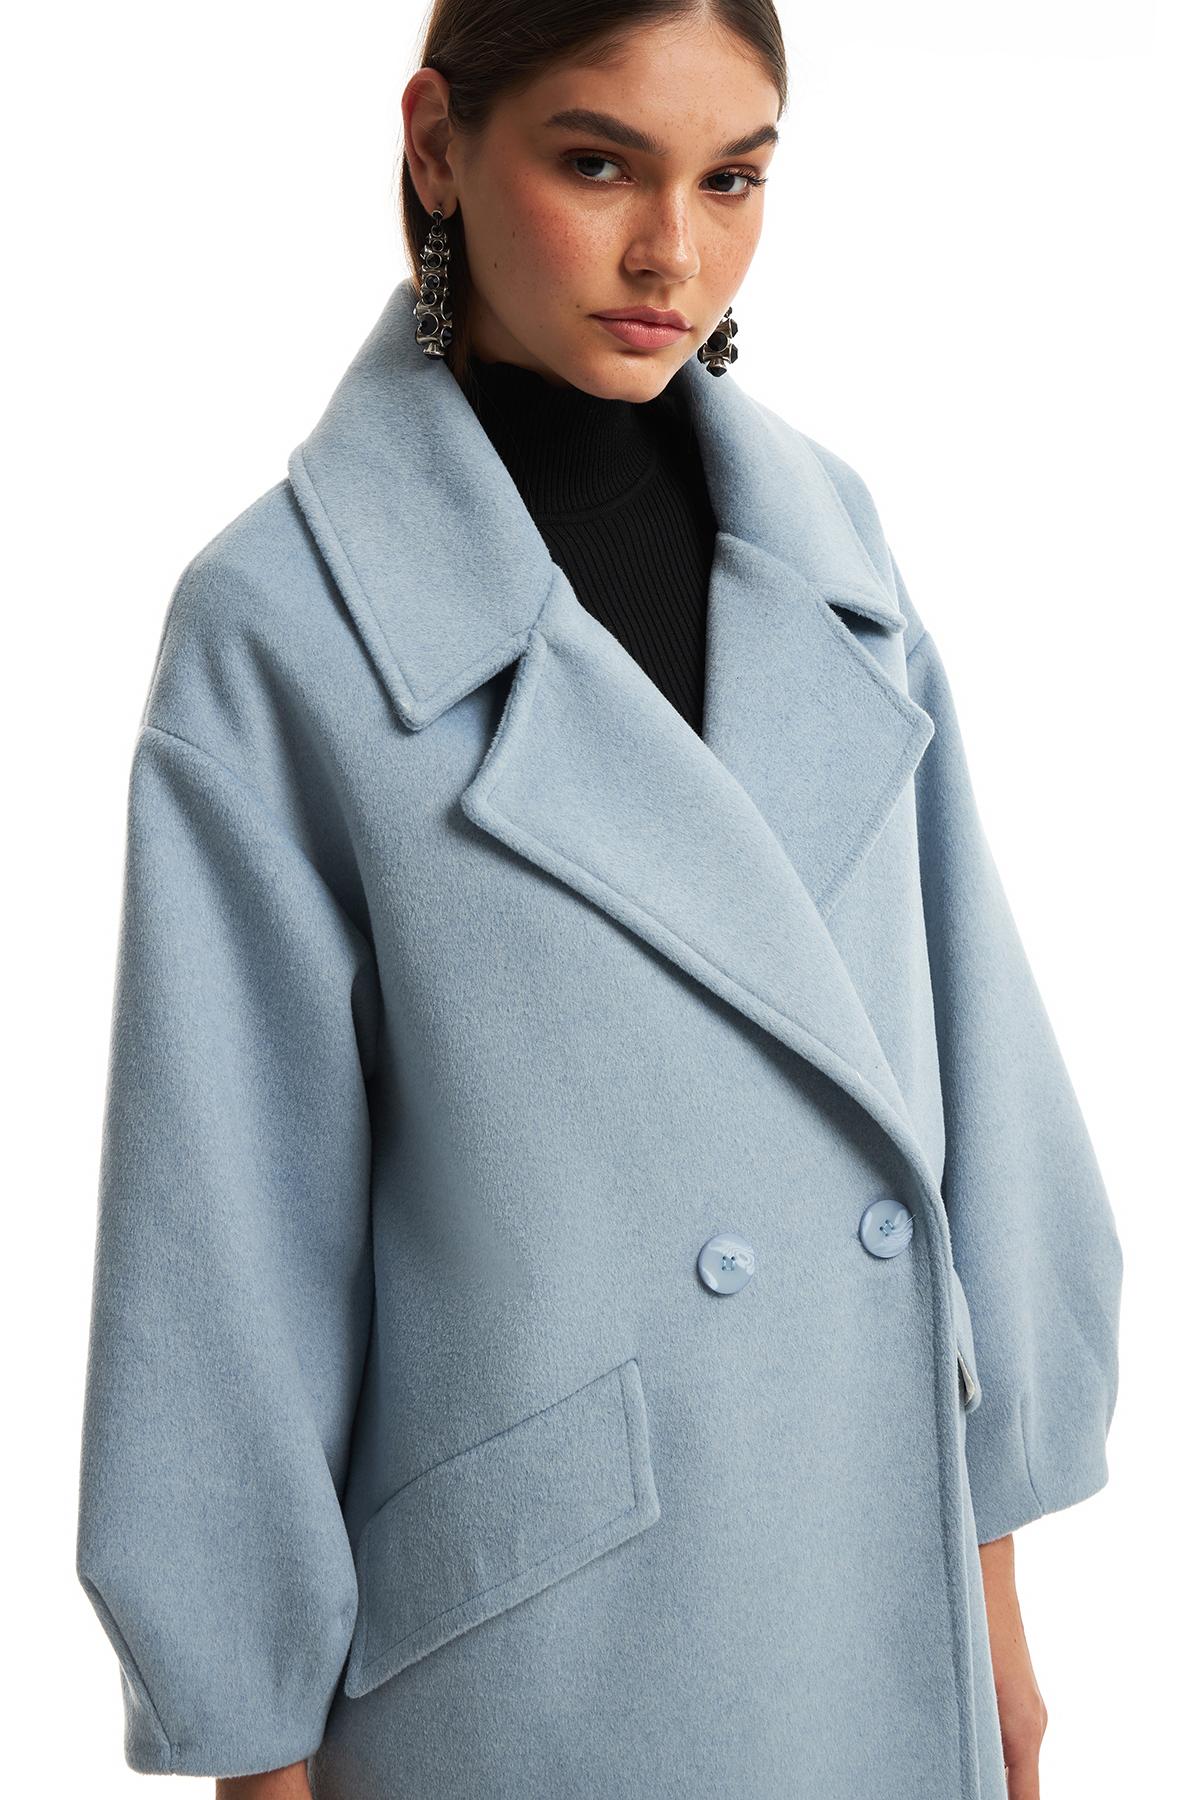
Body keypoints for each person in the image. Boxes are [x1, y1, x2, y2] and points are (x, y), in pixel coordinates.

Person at [74, 5, 1123, 1799]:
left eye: (732, 181)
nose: (672, 255)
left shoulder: (831, 544)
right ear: (437, 145)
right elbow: (219, 1253)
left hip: (872, 1582)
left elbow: (974, 1074)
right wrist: (251, 1745)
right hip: (541, 1658)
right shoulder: (284, 623)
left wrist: (996, 1601)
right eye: (598, 164)